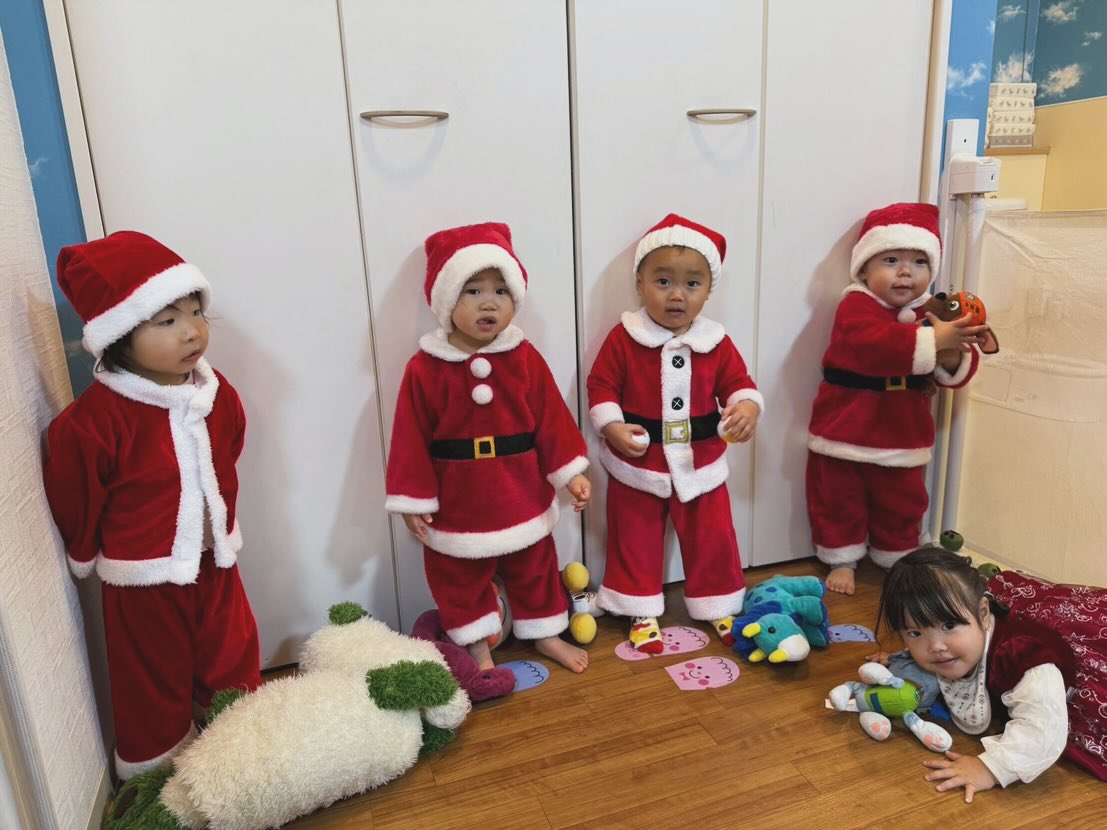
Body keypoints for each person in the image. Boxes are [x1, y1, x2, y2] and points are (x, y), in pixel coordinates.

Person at [43, 231, 260, 780]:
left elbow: (231, 444)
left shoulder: (216, 392)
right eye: (166, 321)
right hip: (145, 575)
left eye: (195, 311)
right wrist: (85, 552)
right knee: (151, 675)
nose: (192, 330)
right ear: (120, 336)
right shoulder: (97, 420)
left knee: (231, 652)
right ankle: (159, 776)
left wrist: (222, 523)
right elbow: (77, 492)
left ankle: (245, 748)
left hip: (215, 559)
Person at [385, 222, 592, 673]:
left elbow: (552, 419)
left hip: (521, 489)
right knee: (458, 576)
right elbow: (409, 439)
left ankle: (546, 633)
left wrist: (570, 472)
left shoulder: (524, 357)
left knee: (536, 564)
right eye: (472, 290)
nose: (489, 302)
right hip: (459, 499)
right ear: (445, 301)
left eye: (501, 290)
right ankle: (478, 647)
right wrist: (412, 500)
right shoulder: (424, 369)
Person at [587, 214, 762, 654]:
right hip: (639, 462)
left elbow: (739, 382)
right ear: (640, 285)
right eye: (663, 281)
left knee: (714, 537)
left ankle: (718, 603)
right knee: (634, 535)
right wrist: (610, 425)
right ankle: (638, 607)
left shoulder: (715, 341)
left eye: (692, 284)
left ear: (708, 290)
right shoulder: (625, 338)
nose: (677, 295)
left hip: (701, 461)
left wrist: (745, 406)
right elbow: (601, 386)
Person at [806, 202, 988, 595]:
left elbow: (953, 372)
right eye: (891, 259)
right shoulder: (856, 304)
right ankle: (841, 557)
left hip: (902, 433)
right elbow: (870, 346)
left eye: (919, 262)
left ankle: (898, 553)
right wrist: (932, 339)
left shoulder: (929, 313)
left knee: (903, 500)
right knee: (839, 498)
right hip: (847, 428)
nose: (905, 272)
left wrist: (953, 349)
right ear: (865, 268)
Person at [873, 546, 1107, 801]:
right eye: (915, 633)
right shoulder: (951, 638)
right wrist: (902, 660)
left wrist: (990, 768)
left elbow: (1043, 732)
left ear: (983, 613)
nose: (936, 647)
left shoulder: (1024, 659)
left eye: (949, 625)